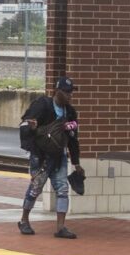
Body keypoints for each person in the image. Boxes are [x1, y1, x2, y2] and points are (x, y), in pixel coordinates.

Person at [19, 76, 82, 238]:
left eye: (71, 92)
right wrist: (31, 128)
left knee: (63, 189)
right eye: (66, 92)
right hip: (41, 156)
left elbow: (73, 139)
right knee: (36, 188)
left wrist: (76, 162)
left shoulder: (70, 112)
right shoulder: (42, 105)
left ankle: (61, 227)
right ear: (57, 91)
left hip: (59, 156)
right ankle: (24, 220)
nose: (69, 95)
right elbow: (24, 125)